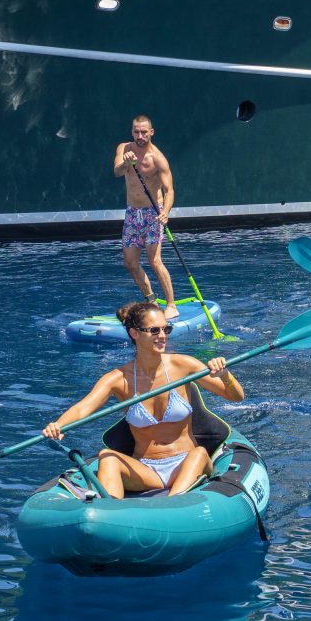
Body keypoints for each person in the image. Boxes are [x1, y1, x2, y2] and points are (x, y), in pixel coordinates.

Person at [43, 300, 244, 497]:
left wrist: (225, 376)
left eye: (166, 329)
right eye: (154, 331)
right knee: (107, 457)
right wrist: (59, 425)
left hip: (187, 462)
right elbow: (83, 408)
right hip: (146, 470)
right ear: (134, 333)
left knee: (199, 454)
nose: (163, 336)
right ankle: (112, 513)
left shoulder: (184, 365)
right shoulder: (118, 379)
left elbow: (236, 397)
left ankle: (173, 507)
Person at [113, 115, 175, 305]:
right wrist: (126, 163)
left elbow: (169, 190)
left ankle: (171, 304)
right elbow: (117, 172)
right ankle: (152, 300)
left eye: (143, 132)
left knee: (154, 261)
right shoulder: (123, 148)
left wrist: (166, 212)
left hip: (152, 214)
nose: (139, 136)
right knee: (130, 263)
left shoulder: (157, 159)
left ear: (151, 133)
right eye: (136, 132)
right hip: (132, 213)